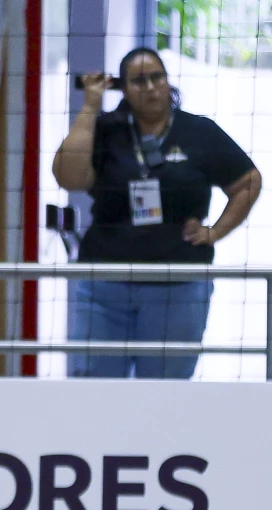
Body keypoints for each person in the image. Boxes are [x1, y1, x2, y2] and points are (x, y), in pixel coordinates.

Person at [53, 46, 261, 378]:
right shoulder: (106, 130)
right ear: (122, 88)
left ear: (167, 81)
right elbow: (69, 177)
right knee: (94, 395)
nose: (150, 87)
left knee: (166, 397)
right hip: (105, 286)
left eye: (157, 77)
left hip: (177, 287)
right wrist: (90, 107)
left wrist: (215, 232)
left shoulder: (199, 132)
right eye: (137, 81)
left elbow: (248, 181)